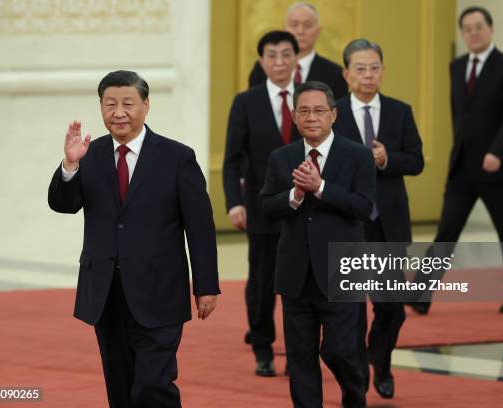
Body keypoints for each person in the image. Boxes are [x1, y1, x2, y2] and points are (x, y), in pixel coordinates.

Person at [48, 70, 220, 407]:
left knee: (153, 386)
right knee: (120, 386)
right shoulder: (90, 154)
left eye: (128, 103)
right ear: (101, 107)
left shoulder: (177, 157)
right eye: (109, 104)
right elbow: (63, 205)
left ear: (146, 105)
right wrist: (69, 165)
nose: (118, 112)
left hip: (160, 290)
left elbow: (200, 226)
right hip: (106, 292)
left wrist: (206, 285)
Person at [260, 81, 376, 407]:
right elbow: (266, 207)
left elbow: (364, 208)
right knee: (300, 358)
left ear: (334, 115)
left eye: (319, 111)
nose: (312, 117)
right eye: (305, 111)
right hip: (295, 273)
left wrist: (321, 187)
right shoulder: (280, 158)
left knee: (339, 350)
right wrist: (294, 196)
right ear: (295, 116)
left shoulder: (358, 156)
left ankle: (355, 395)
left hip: (342, 271)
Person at [410, 6, 503, 315]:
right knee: (447, 230)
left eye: (479, 27)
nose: (473, 33)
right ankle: (422, 292)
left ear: (490, 29)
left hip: (496, 166)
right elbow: (458, 116)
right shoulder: (457, 66)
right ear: (463, 34)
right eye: (467, 28)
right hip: (462, 167)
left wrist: (497, 152)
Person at [334, 39, 424, 399]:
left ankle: (381, 362)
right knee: (353, 308)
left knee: (391, 308)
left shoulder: (400, 111)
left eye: (374, 68)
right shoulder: (333, 113)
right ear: (346, 73)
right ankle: (356, 375)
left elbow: (416, 160)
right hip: (350, 225)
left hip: (389, 225)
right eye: (360, 68)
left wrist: (389, 159)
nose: (368, 75)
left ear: (383, 71)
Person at [223, 30, 301, 376]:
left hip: (306, 207)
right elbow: (232, 159)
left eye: (286, 54)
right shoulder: (246, 102)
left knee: (303, 283)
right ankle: (262, 347)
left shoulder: (312, 99)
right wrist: (234, 202)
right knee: (262, 282)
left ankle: (301, 350)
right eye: (272, 55)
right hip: (262, 206)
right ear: (262, 61)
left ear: (296, 60)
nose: (280, 62)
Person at [248, 2, 347, 100]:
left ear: (318, 30)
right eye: (294, 25)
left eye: (307, 25)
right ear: (284, 28)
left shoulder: (335, 73)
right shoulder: (262, 68)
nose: (300, 31)